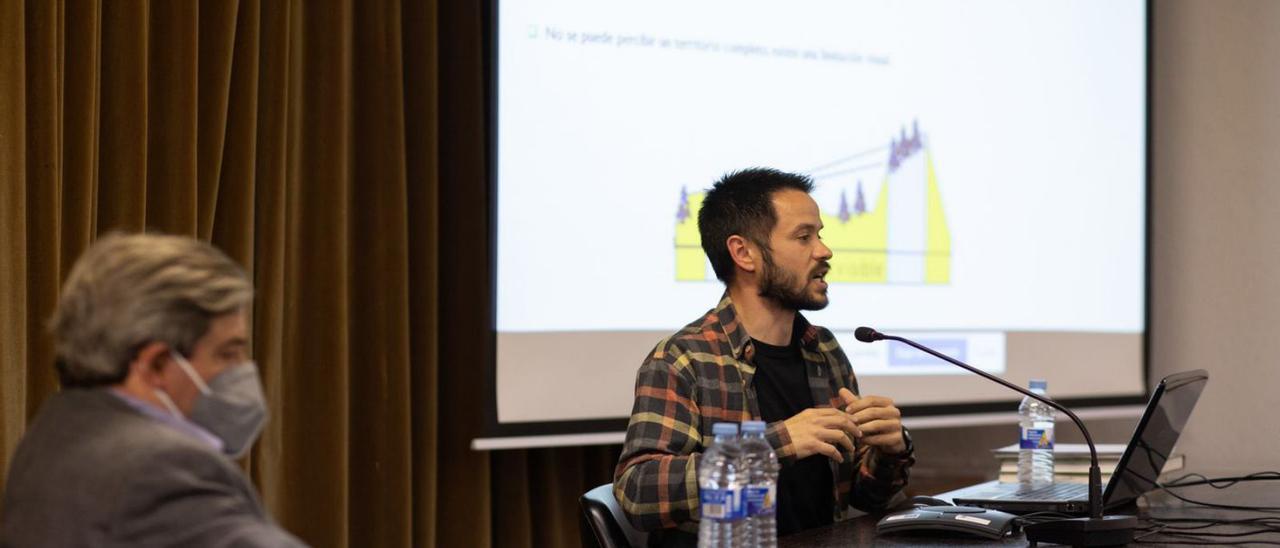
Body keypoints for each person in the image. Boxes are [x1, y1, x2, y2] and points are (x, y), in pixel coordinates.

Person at [613, 168, 915, 545]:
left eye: (819, 235)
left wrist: (890, 451)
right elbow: (638, 493)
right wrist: (777, 443)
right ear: (744, 253)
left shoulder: (824, 351)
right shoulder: (683, 359)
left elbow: (864, 498)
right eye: (804, 237)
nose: (824, 250)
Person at [0, 233, 306, 547]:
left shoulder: (55, 429)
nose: (244, 368)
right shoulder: (160, 469)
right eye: (228, 353)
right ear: (157, 363)